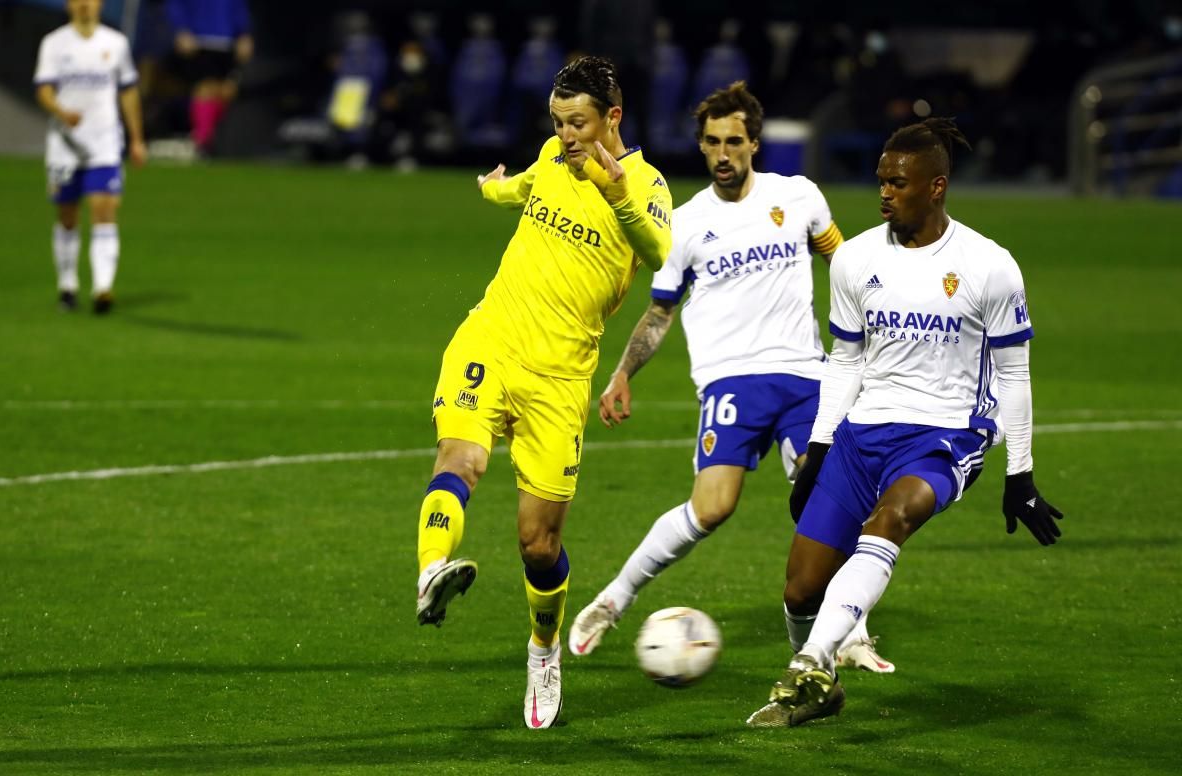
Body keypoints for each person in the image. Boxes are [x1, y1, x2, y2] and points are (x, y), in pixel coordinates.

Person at [746, 118, 1064, 728]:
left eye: (898, 182)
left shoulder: (989, 266)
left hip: (945, 434)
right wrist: (817, 447)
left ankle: (813, 661)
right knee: (798, 591)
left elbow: (1016, 376)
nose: (885, 192)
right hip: (861, 433)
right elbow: (847, 359)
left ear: (936, 186)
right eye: (881, 181)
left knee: (891, 519)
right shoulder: (855, 258)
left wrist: (1019, 474)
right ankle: (820, 686)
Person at [567, 81, 895, 674]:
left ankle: (851, 635)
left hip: (804, 377)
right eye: (714, 142)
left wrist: (879, 325)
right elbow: (660, 311)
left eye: (735, 141)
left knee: (829, 498)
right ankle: (613, 600)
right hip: (730, 383)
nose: (724, 153)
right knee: (711, 508)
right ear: (700, 145)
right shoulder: (686, 226)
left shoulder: (797, 197)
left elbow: (843, 264)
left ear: (754, 143)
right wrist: (621, 373)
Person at [413, 56, 672, 730]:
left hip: (561, 379)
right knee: (459, 458)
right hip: (491, 341)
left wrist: (614, 191)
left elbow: (663, 258)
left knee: (538, 542)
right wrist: (492, 189)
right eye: (557, 123)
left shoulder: (646, 185)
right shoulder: (553, 158)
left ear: (612, 117)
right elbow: (527, 185)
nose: (566, 136)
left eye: (578, 123)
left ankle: (543, 647)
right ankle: (430, 572)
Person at [34, 0, 147, 314]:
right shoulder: (55, 43)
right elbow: (44, 89)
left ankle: (102, 288)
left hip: (104, 144)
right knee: (67, 215)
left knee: (104, 209)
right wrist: (60, 111)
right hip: (65, 147)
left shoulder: (116, 43)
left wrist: (137, 138)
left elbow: (128, 91)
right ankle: (68, 285)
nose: (85, 5)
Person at [166, 0, 252, 154]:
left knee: (226, 91)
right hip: (199, 40)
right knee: (204, 89)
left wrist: (244, 33)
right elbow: (175, 4)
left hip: (227, 42)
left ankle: (218, 143)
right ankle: (203, 143)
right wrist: (180, 28)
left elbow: (239, 6)